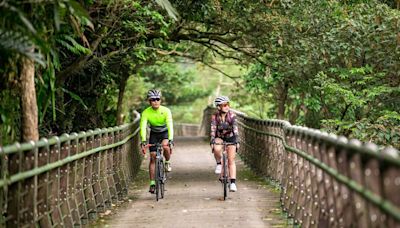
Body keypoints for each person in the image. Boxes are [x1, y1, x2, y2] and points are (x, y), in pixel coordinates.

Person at [140, 89, 174, 194]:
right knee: (153, 156)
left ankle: (167, 162)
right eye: (153, 100)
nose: (156, 101)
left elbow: (170, 125)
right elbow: (143, 126)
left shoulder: (166, 110)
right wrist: (143, 140)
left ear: (160, 100)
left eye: (158, 99)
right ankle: (152, 183)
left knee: (165, 146)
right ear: (149, 101)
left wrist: (171, 139)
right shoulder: (146, 112)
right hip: (154, 134)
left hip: (165, 133)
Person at [210, 96, 239, 192]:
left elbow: (235, 128)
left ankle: (233, 183)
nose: (227, 107)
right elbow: (213, 128)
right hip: (220, 137)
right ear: (219, 107)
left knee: (231, 160)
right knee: (217, 148)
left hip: (231, 137)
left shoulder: (232, 115)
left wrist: (237, 141)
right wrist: (212, 140)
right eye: (225, 105)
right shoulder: (215, 116)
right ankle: (219, 163)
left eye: (228, 104)